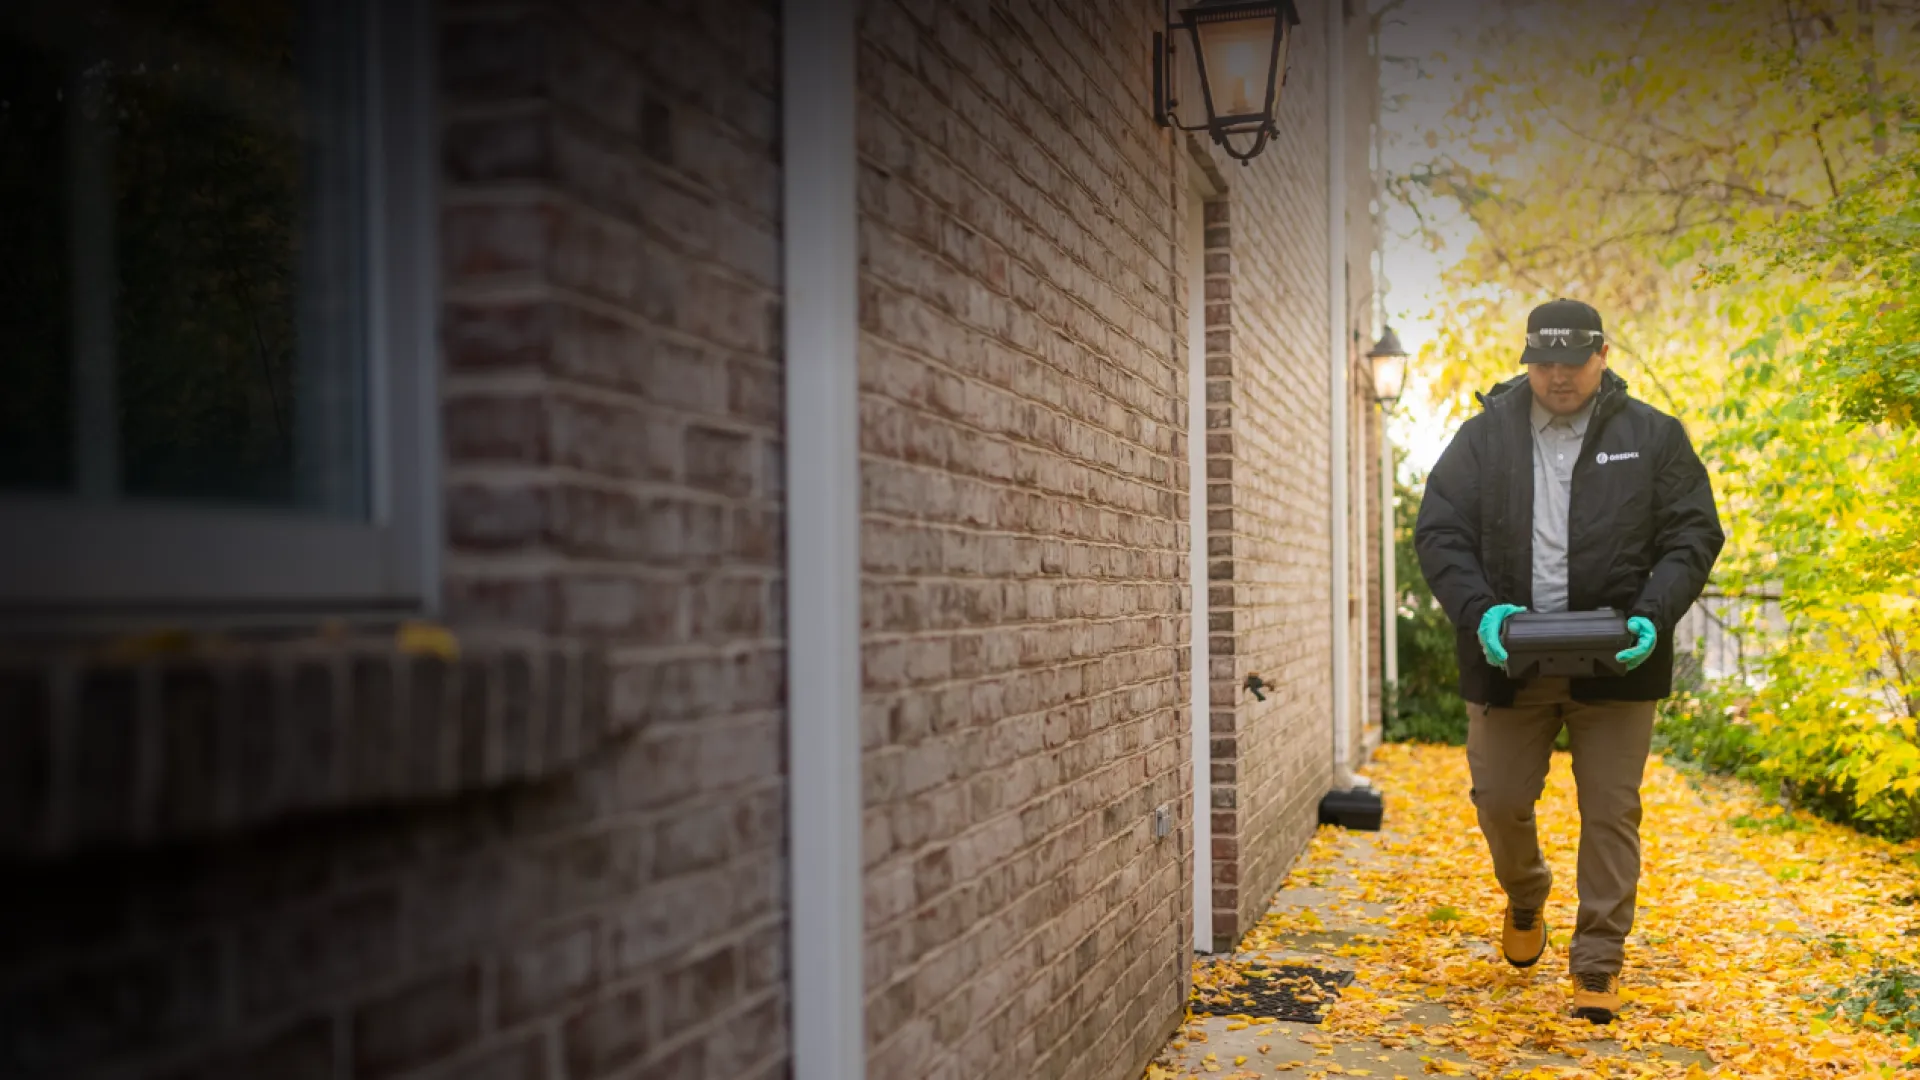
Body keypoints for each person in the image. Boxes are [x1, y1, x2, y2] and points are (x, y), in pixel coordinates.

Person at [1412, 298, 1725, 1024]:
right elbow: (1439, 533)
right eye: (1543, 362)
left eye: (1572, 361)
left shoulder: (1653, 437)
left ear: (1603, 355)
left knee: (1611, 810)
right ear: (1527, 359)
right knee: (1499, 800)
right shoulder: (1485, 437)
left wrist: (1652, 614)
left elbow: (1693, 534)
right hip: (1508, 658)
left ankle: (1597, 961)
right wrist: (1481, 610)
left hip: (1616, 661)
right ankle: (1526, 896)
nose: (1557, 376)